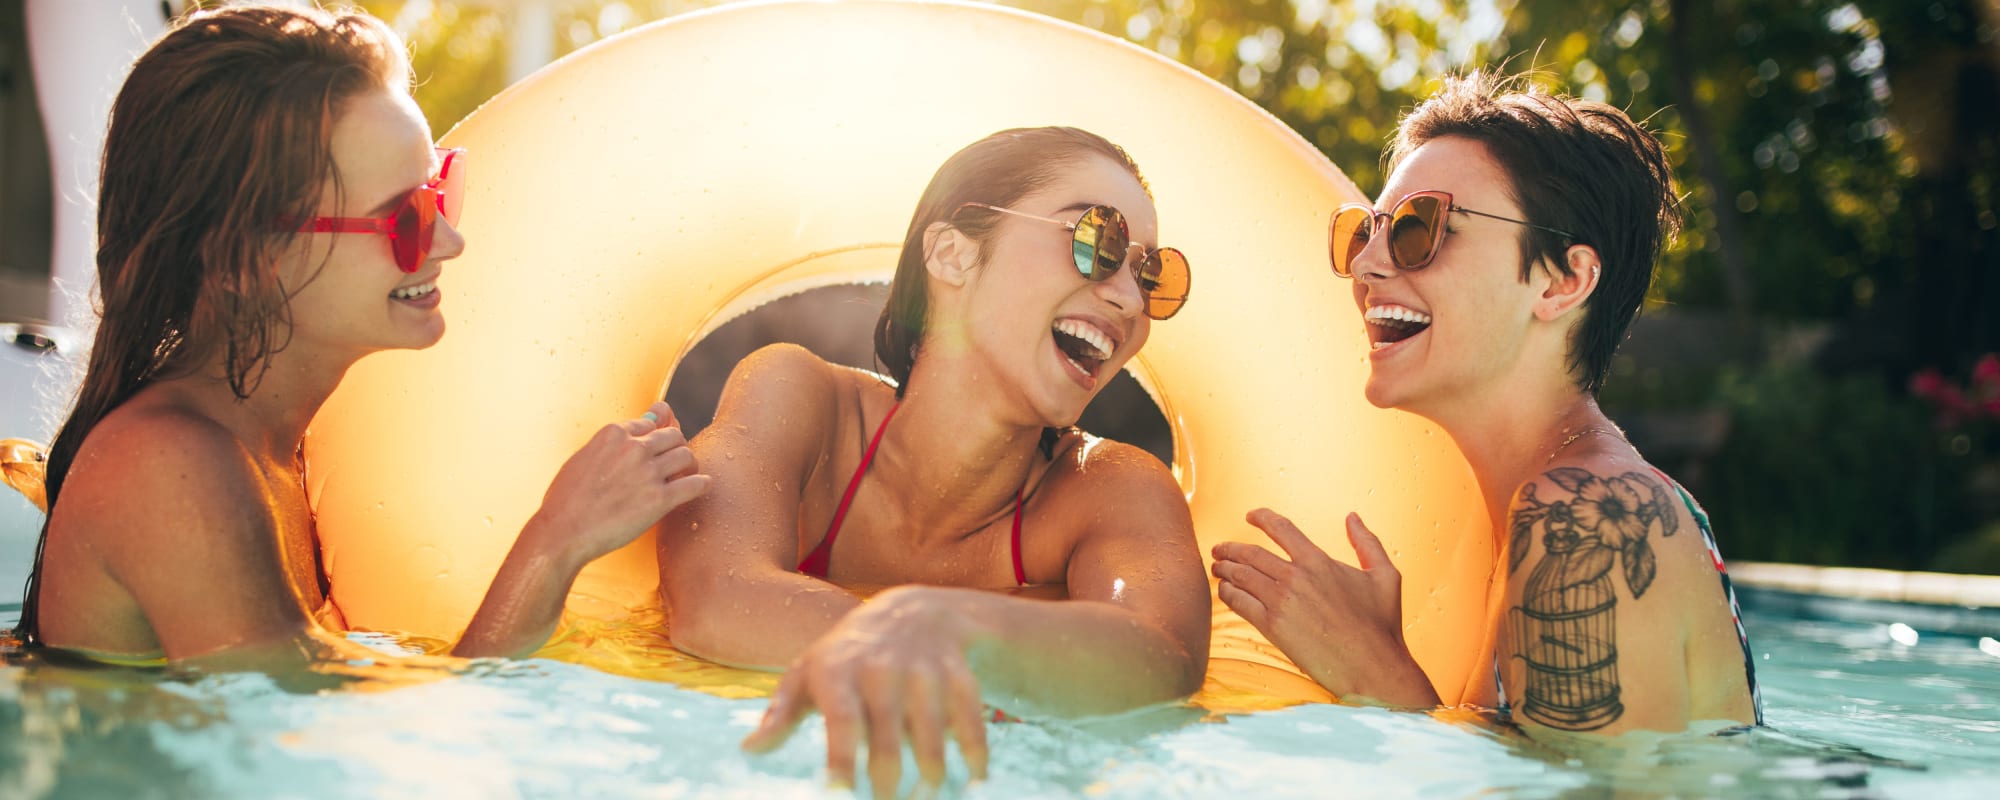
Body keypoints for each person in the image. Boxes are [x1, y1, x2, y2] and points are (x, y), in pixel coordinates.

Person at [17, 4, 708, 667]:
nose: (450, 240)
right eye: (405, 218)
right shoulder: (167, 468)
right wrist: (557, 542)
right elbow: (309, 767)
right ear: (247, 261)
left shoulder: (281, 447)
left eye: (441, 191)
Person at [658, 127, 1210, 795]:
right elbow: (714, 598)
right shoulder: (802, 401)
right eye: (1098, 241)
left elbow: (1160, 661)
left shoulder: (1108, 489)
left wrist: (949, 626)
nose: (1130, 298)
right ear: (951, 254)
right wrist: (940, 641)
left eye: (1151, 274)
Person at [1212, 72, 1762, 734]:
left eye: (1420, 227)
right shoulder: (1538, 506)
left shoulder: (1584, 514)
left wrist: (1374, 671)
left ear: (1563, 282)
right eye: (1366, 231)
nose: (1366, 266)